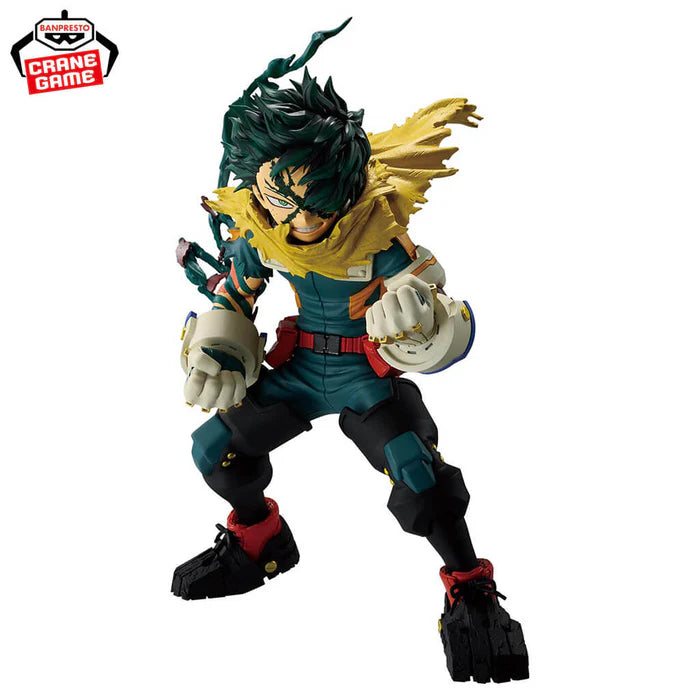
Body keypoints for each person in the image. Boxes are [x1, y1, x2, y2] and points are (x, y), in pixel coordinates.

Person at [173, 19, 528, 683]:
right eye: (281, 200)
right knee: (214, 450)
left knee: (418, 474)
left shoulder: (377, 234)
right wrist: (218, 347)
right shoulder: (262, 233)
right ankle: (258, 542)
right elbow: (235, 297)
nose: (298, 221)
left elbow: (440, 311)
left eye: (312, 204)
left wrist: (421, 322)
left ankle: (471, 590)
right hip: (301, 369)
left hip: (366, 373)